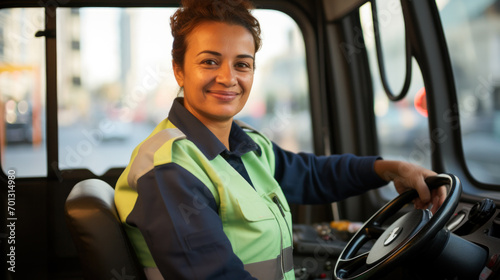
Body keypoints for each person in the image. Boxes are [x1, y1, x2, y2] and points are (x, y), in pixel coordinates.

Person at [114, 0, 447, 279]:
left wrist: (392, 169)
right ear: (179, 70)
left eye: (242, 64)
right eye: (209, 62)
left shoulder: (245, 145)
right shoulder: (168, 169)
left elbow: (313, 174)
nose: (228, 78)